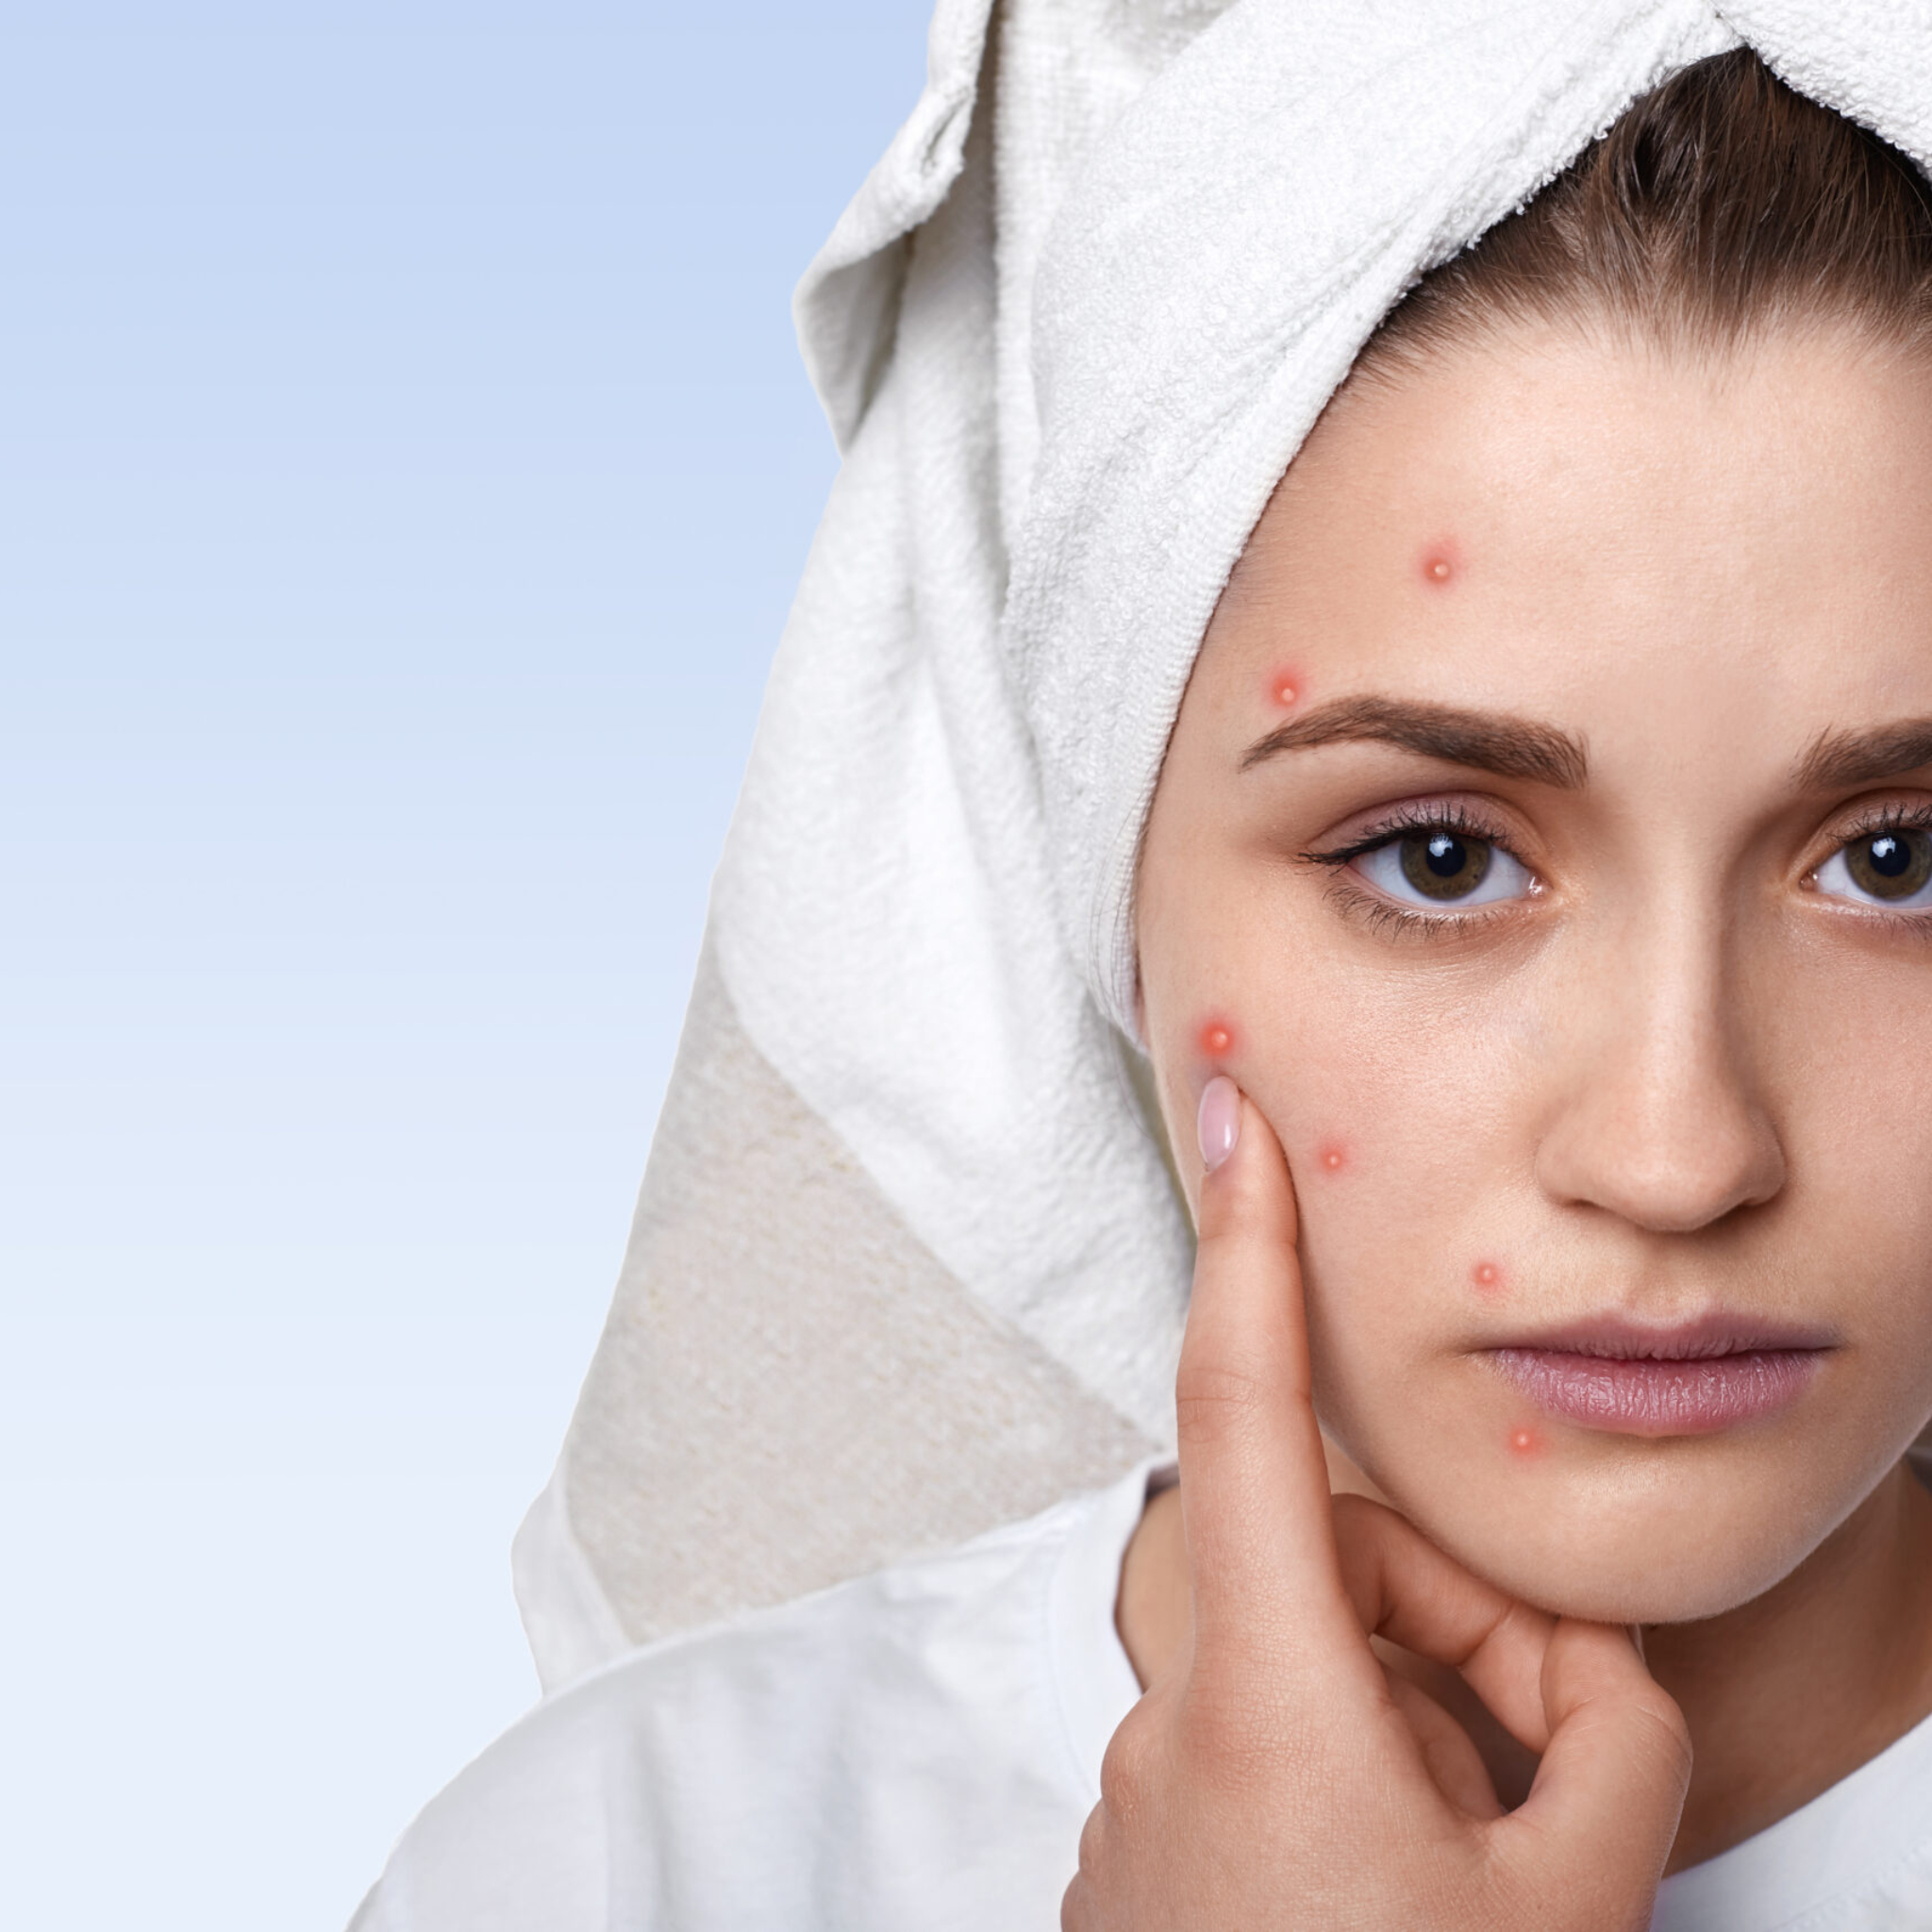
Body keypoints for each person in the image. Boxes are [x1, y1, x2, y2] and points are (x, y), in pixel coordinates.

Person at [354, 9, 1932, 1928]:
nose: (1677, 1154)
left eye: (1897, 860)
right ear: (1108, 885)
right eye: (1440, 860)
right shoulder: (629, 1865)